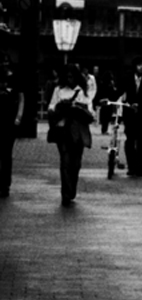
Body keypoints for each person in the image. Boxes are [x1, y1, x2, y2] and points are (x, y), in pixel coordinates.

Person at [47, 63, 94, 206]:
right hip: (63, 130)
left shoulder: (83, 91)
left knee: (76, 163)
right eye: (67, 76)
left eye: (72, 76)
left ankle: (71, 188)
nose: (69, 79)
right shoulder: (58, 90)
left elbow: (90, 112)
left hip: (78, 131)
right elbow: (50, 107)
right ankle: (66, 193)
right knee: (65, 161)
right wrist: (59, 106)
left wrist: (79, 108)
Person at [120, 57, 142, 177]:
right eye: (139, 65)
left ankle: (139, 165)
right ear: (134, 66)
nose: (141, 67)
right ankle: (131, 165)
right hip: (129, 113)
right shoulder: (126, 78)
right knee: (130, 139)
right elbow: (119, 91)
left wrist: (140, 105)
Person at [0, 65, 24, 198]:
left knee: (6, 154)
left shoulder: (15, 80)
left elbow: (21, 99)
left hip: (9, 121)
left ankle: (5, 185)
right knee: (5, 155)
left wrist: (18, 117)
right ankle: (4, 184)